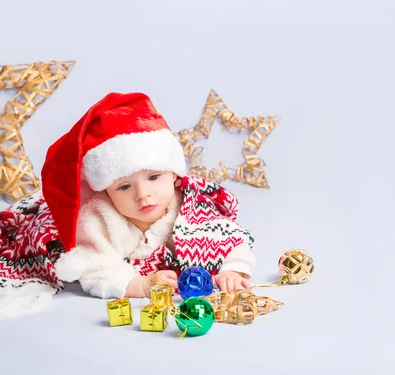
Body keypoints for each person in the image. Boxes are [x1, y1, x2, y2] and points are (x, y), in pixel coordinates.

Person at [41, 91, 256, 299]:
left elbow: (232, 240)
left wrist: (232, 271)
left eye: (154, 177)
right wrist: (141, 285)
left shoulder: (191, 208)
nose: (142, 194)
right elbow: (94, 266)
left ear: (173, 174)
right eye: (124, 187)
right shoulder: (98, 218)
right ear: (105, 190)